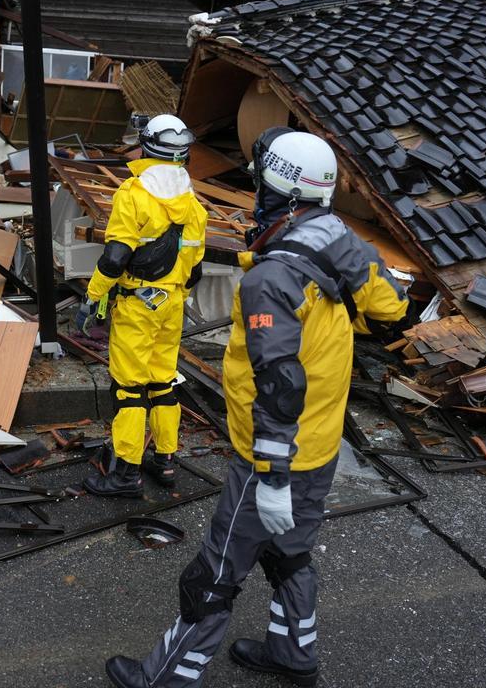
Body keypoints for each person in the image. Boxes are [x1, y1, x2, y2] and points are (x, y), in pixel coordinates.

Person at [104, 128, 409, 687]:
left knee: (216, 572)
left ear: (282, 193)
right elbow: (392, 304)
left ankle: (165, 676)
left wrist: (269, 475)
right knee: (289, 554)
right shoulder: (340, 240)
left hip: (273, 455)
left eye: (261, 183)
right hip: (319, 446)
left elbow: (279, 382)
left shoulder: (271, 279)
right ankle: (294, 652)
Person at [75, 114, 209, 496]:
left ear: (147, 146)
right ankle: (165, 461)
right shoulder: (192, 203)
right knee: (163, 382)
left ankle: (125, 474)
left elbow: (116, 257)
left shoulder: (134, 195)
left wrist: (95, 295)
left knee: (129, 389)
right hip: (172, 305)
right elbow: (195, 269)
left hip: (138, 304)